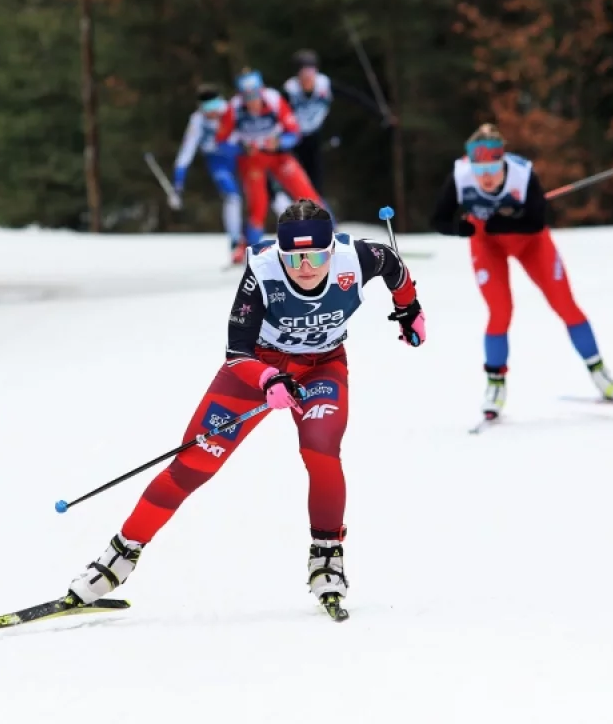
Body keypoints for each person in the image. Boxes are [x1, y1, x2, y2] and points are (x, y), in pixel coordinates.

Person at [64, 199, 427, 619]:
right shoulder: (263, 271)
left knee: (320, 449)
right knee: (192, 463)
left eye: (315, 255)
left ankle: (327, 556)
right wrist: (267, 379)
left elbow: (394, 267)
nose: (305, 266)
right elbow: (236, 350)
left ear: (332, 250)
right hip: (258, 367)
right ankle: (119, 558)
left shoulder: (359, 258)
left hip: (322, 367)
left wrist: (409, 309)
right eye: (295, 256)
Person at [430, 123, 613, 420]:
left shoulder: (522, 174)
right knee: (500, 311)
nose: (486, 177)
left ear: (502, 162)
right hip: (487, 247)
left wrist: (504, 219)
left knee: (565, 305)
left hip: (531, 244)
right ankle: (495, 386)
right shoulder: (460, 176)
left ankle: (602, 376)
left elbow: (536, 220)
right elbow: (437, 219)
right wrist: (459, 228)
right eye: (479, 170)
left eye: (492, 168)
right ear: (470, 166)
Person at [216, 68, 328, 248]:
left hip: (278, 155)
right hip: (252, 158)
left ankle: (329, 234)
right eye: (248, 97)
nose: (253, 102)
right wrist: (240, 148)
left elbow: (294, 132)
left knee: (306, 193)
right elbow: (221, 142)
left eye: (255, 96)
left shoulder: (274, 99)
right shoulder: (234, 108)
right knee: (258, 204)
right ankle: (248, 247)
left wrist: (280, 142)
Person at [282, 49, 391, 195]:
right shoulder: (290, 90)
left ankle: (316, 204)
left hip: (318, 133)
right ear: (298, 75)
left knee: (316, 173)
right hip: (296, 136)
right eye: (304, 74)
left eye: (311, 73)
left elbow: (354, 97)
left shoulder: (324, 85)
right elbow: (276, 112)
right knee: (295, 174)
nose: (308, 78)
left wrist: (380, 113)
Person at [171, 84, 246, 264]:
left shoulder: (232, 111)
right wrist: (178, 184)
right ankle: (235, 244)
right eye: (207, 108)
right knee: (232, 198)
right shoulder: (197, 121)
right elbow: (186, 152)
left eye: (215, 107)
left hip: (241, 158)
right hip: (218, 163)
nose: (212, 113)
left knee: (262, 198)